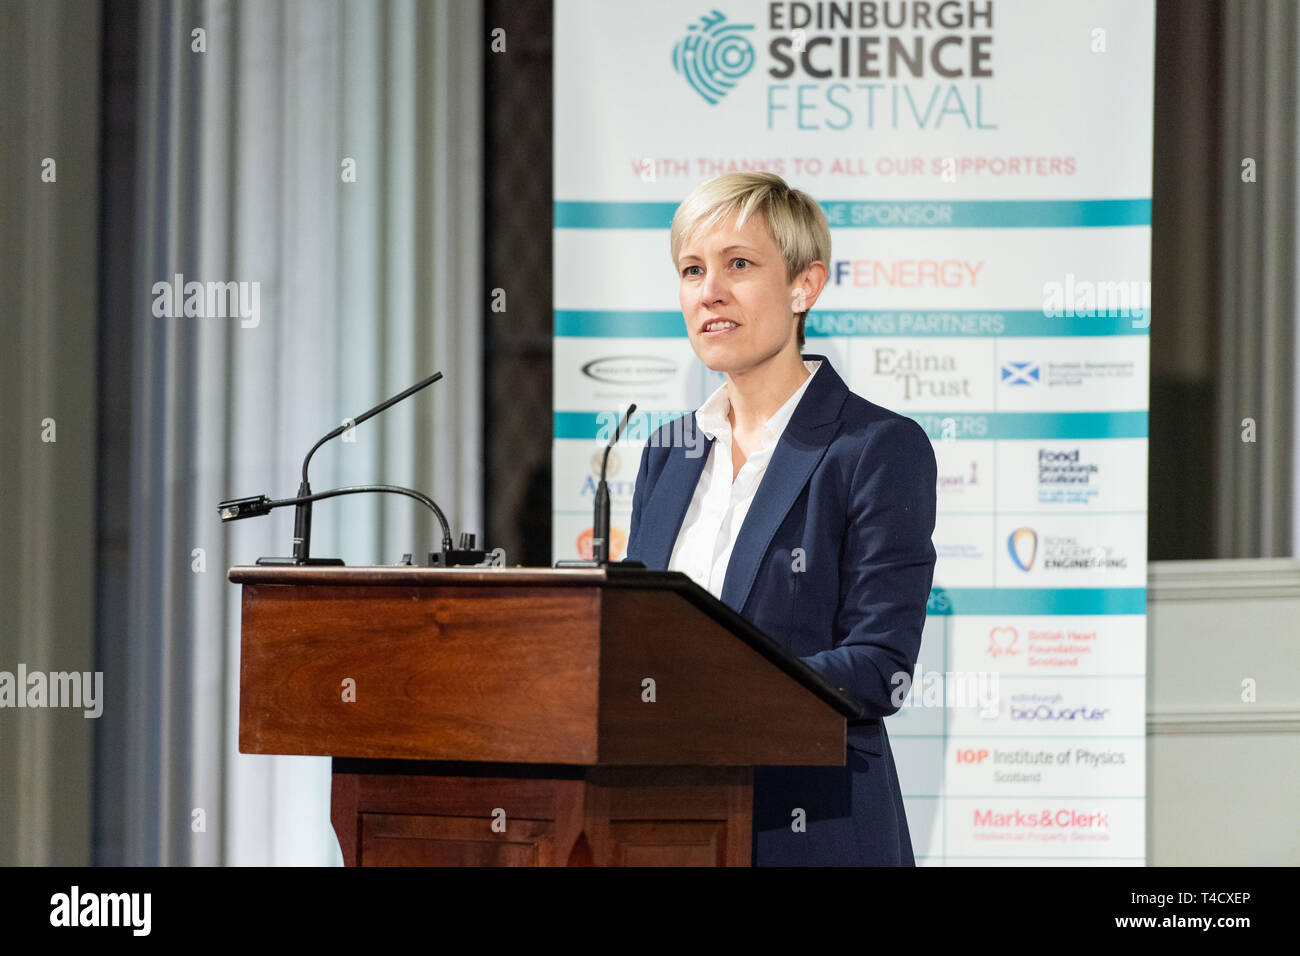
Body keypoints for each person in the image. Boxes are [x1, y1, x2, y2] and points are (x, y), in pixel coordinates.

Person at [624, 171, 937, 866]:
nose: (710, 291)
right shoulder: (665, 454)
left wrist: (710, 697)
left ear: (805, 287)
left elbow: (880, 663)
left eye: (739, 265)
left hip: (813, 829)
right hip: (663, 827)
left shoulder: (875, 448)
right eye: (692, 270)